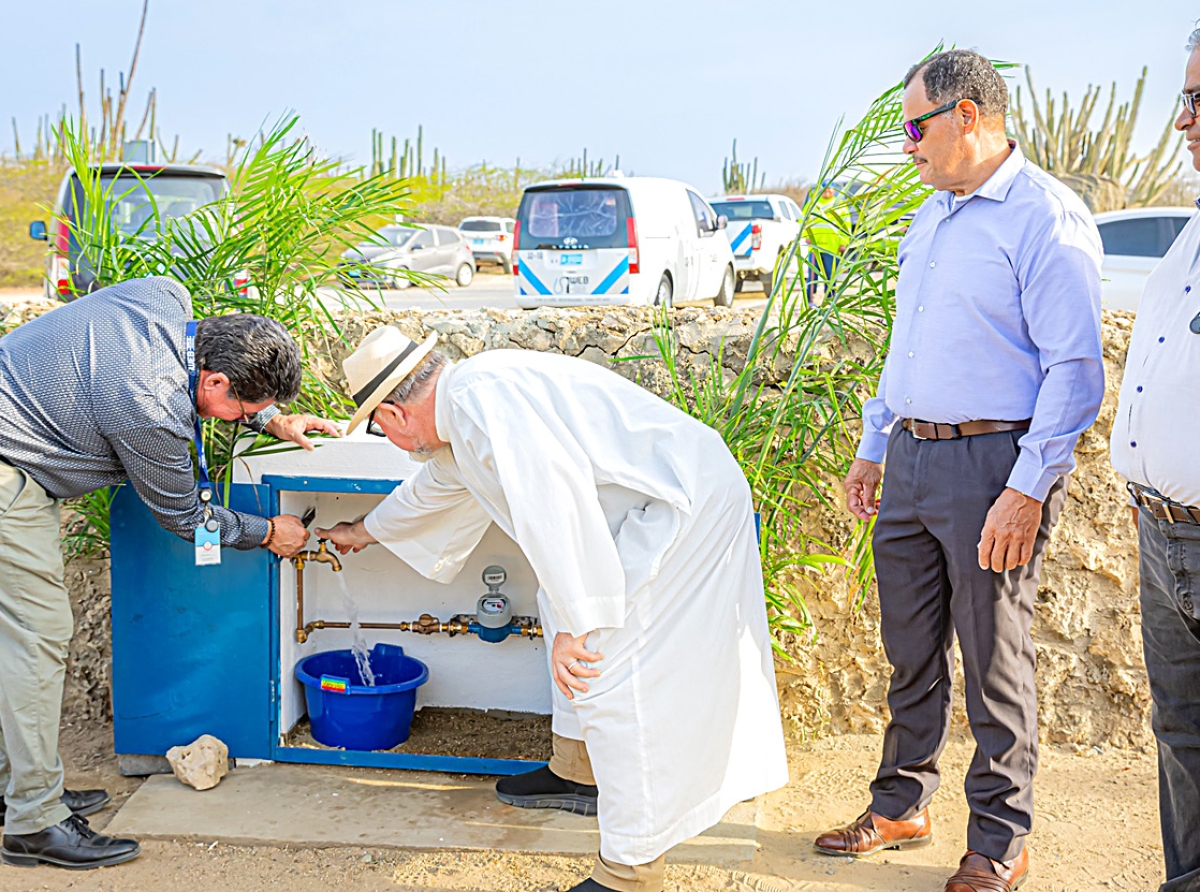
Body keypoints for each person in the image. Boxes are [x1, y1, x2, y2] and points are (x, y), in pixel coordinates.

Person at [317, 326, 788, 892]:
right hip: (647, 511)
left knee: (610, 670)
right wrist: (361, 532)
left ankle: (629, 872)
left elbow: (553, 503)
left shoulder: (481, 401)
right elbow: (434, 490)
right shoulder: (467, 408)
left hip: (681, 508)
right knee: (568, 614)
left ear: (393, 414)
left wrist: (580, 623)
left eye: (378, 427)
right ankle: (579, 773)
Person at [813, 50, 1104, 892]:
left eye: (916, 126)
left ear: (967, 116)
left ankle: (1000, 840)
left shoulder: (1046, 218)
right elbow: (906, 348)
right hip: (911, 458)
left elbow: (1075, 371)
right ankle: (902, 801)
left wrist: (1027, 487)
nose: (908, 144)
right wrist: (875, 445)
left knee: (994, 660)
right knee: (909, 650)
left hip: (992, 465)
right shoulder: (932, 219)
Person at [0, 275, 337, 870]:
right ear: (213, 380)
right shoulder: (150, 408)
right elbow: (185, 515)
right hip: (8, 471)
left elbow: (206, 386)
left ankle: (19, 790)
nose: (246, 419)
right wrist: (268, 533)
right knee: (37, 640)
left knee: (14, 643)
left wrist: (273, 420)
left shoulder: (165, 297)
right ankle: (33, 821)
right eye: (245, 409)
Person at [1110, 26, 1200, 892]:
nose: (1182, 120)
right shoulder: (1191, 233)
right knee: (1180, 736)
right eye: (1182, 98)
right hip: (1161, 533)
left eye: (1198, 100)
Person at [804, 184, 844, 306]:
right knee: (812, 277)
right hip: (815, 247)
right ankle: (809, 301)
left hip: (832, 248)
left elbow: (845, 226)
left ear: (834, 190)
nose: (827, 191)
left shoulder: (840, 205)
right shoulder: (812, 204)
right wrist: (806, 236)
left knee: (830, 277)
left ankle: (830, 302)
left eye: (829, 188)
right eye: (824, 188)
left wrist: (844, 244)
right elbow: (803, 220)